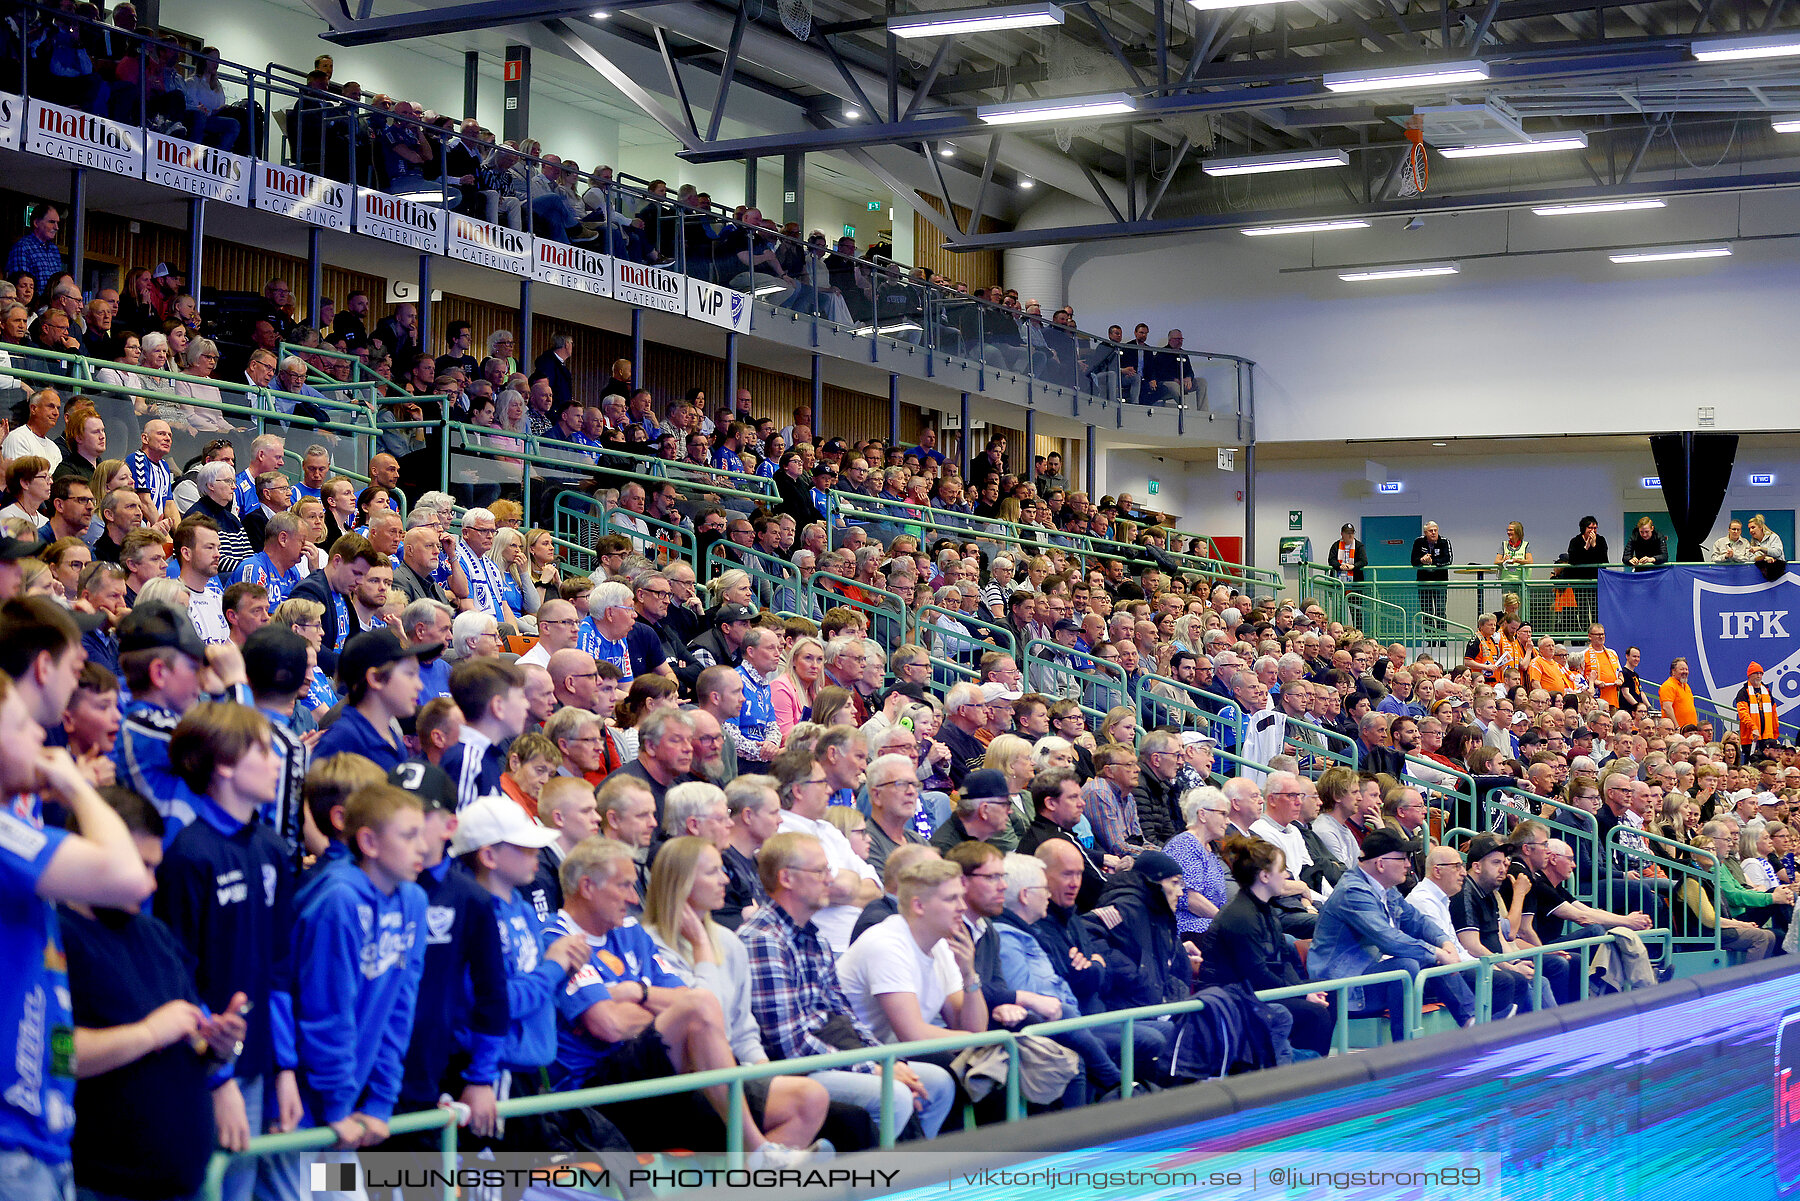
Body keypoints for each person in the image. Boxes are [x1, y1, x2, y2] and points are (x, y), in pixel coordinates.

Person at [547, 837, 823, 1163]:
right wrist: (672, 1017)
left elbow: (686, 999)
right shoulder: (558, 936)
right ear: (588, 887)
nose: (633, 897)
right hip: (598, 1092)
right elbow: (609, 1024)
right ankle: (758, 1149)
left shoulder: (629, 930)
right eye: (623, 886)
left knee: (809, 1099)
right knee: (698, 1008)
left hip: (665, 1078)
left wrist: (639, 994)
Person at [0, 669, 155, 1201]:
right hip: (11, 1146)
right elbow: (128, 877)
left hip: (44, 1135)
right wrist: (76, 787)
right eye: (22, 726)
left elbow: (51, 1011)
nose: (42, 741)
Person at [289, 784, 429, 1185]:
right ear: (368, 841)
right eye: (408, 835)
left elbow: (400, 1008)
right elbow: (326, 1013)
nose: (423, 847)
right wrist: (335, 1106)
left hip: (348, 1103)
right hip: (301, 1102)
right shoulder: (339, 900)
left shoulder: (414, 901)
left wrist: (382, 1100)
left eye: (423, 834)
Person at [1309, 827, 1476, 1043]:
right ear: (1380, 864)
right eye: (1403, 858)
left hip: (1368, 974)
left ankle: (1473, 1021)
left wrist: (1443, 942)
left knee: (1420, 962)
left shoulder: (1385, 889)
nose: (1409, 864)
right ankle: (1404, 1048)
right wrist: (1437, 953)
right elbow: (1388, 939)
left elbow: (1416, 921)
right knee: (1406, 965)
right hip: (1343, 988)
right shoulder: (1353, 891)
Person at [1199, 837, 1334, 1058]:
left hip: (1258, 990)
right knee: (1315, 1013)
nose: (1286, 875)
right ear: (1264, 876)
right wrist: (1301, 995)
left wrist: (1302, 989)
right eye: (1281, 869)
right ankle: (1305, 1078)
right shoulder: (1240, 916)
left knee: (1330, 991)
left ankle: (1304, 1066)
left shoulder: (1266, 910)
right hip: (1235, 998)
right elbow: (1256, 973)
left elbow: (1285, 961)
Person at [311, 630, 431, 772]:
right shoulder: (341, 742)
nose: (419, 685)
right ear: (375, 679)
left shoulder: (388, 733)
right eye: (409, 674)